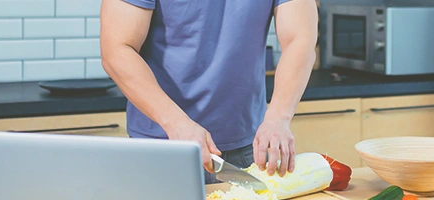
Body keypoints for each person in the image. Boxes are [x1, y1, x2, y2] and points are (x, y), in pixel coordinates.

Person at [99, 0, 318, 184]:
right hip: (162, 149)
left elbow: (300, 39)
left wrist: (278, 117)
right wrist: (176, 122)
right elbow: (116, 49)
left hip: (247, 150)